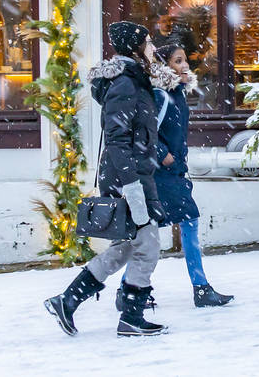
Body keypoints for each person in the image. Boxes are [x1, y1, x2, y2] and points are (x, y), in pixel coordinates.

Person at [44, 21, 168, 338]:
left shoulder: (134, 81)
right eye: (149, 42)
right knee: (147, 246)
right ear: (134, 48)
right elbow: (116, 141)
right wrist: (133, 189)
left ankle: (68, 300)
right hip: (127, 178)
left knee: (129, 246)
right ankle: (130, 317)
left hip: (132, 174)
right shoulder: (126, 85)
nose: (154, 48)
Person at [117, 43, 233, 309]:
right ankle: (197, 288)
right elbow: (144, 131)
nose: (185, 66)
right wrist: (162, 153)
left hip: (173, 172)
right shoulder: (160, 95)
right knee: (167, 228)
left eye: (185, 61)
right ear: (164, 66)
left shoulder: (176, 93)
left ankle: (130, 291)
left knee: (157, 231)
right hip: (161, 174)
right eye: (178, 61)